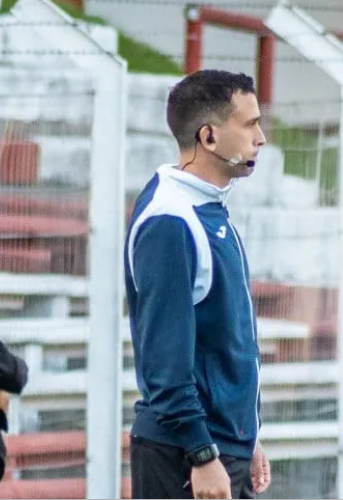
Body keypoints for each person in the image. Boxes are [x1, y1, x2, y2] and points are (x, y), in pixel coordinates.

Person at [124, 69, 271, 499]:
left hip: (222, 444)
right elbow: (165, 362)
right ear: (208, 137)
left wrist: (248, 434)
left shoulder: (206, 206)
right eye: (249, 124)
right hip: (186, 456)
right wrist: (203, 454)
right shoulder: (171, 219)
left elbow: (224, 340)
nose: (260, 138)